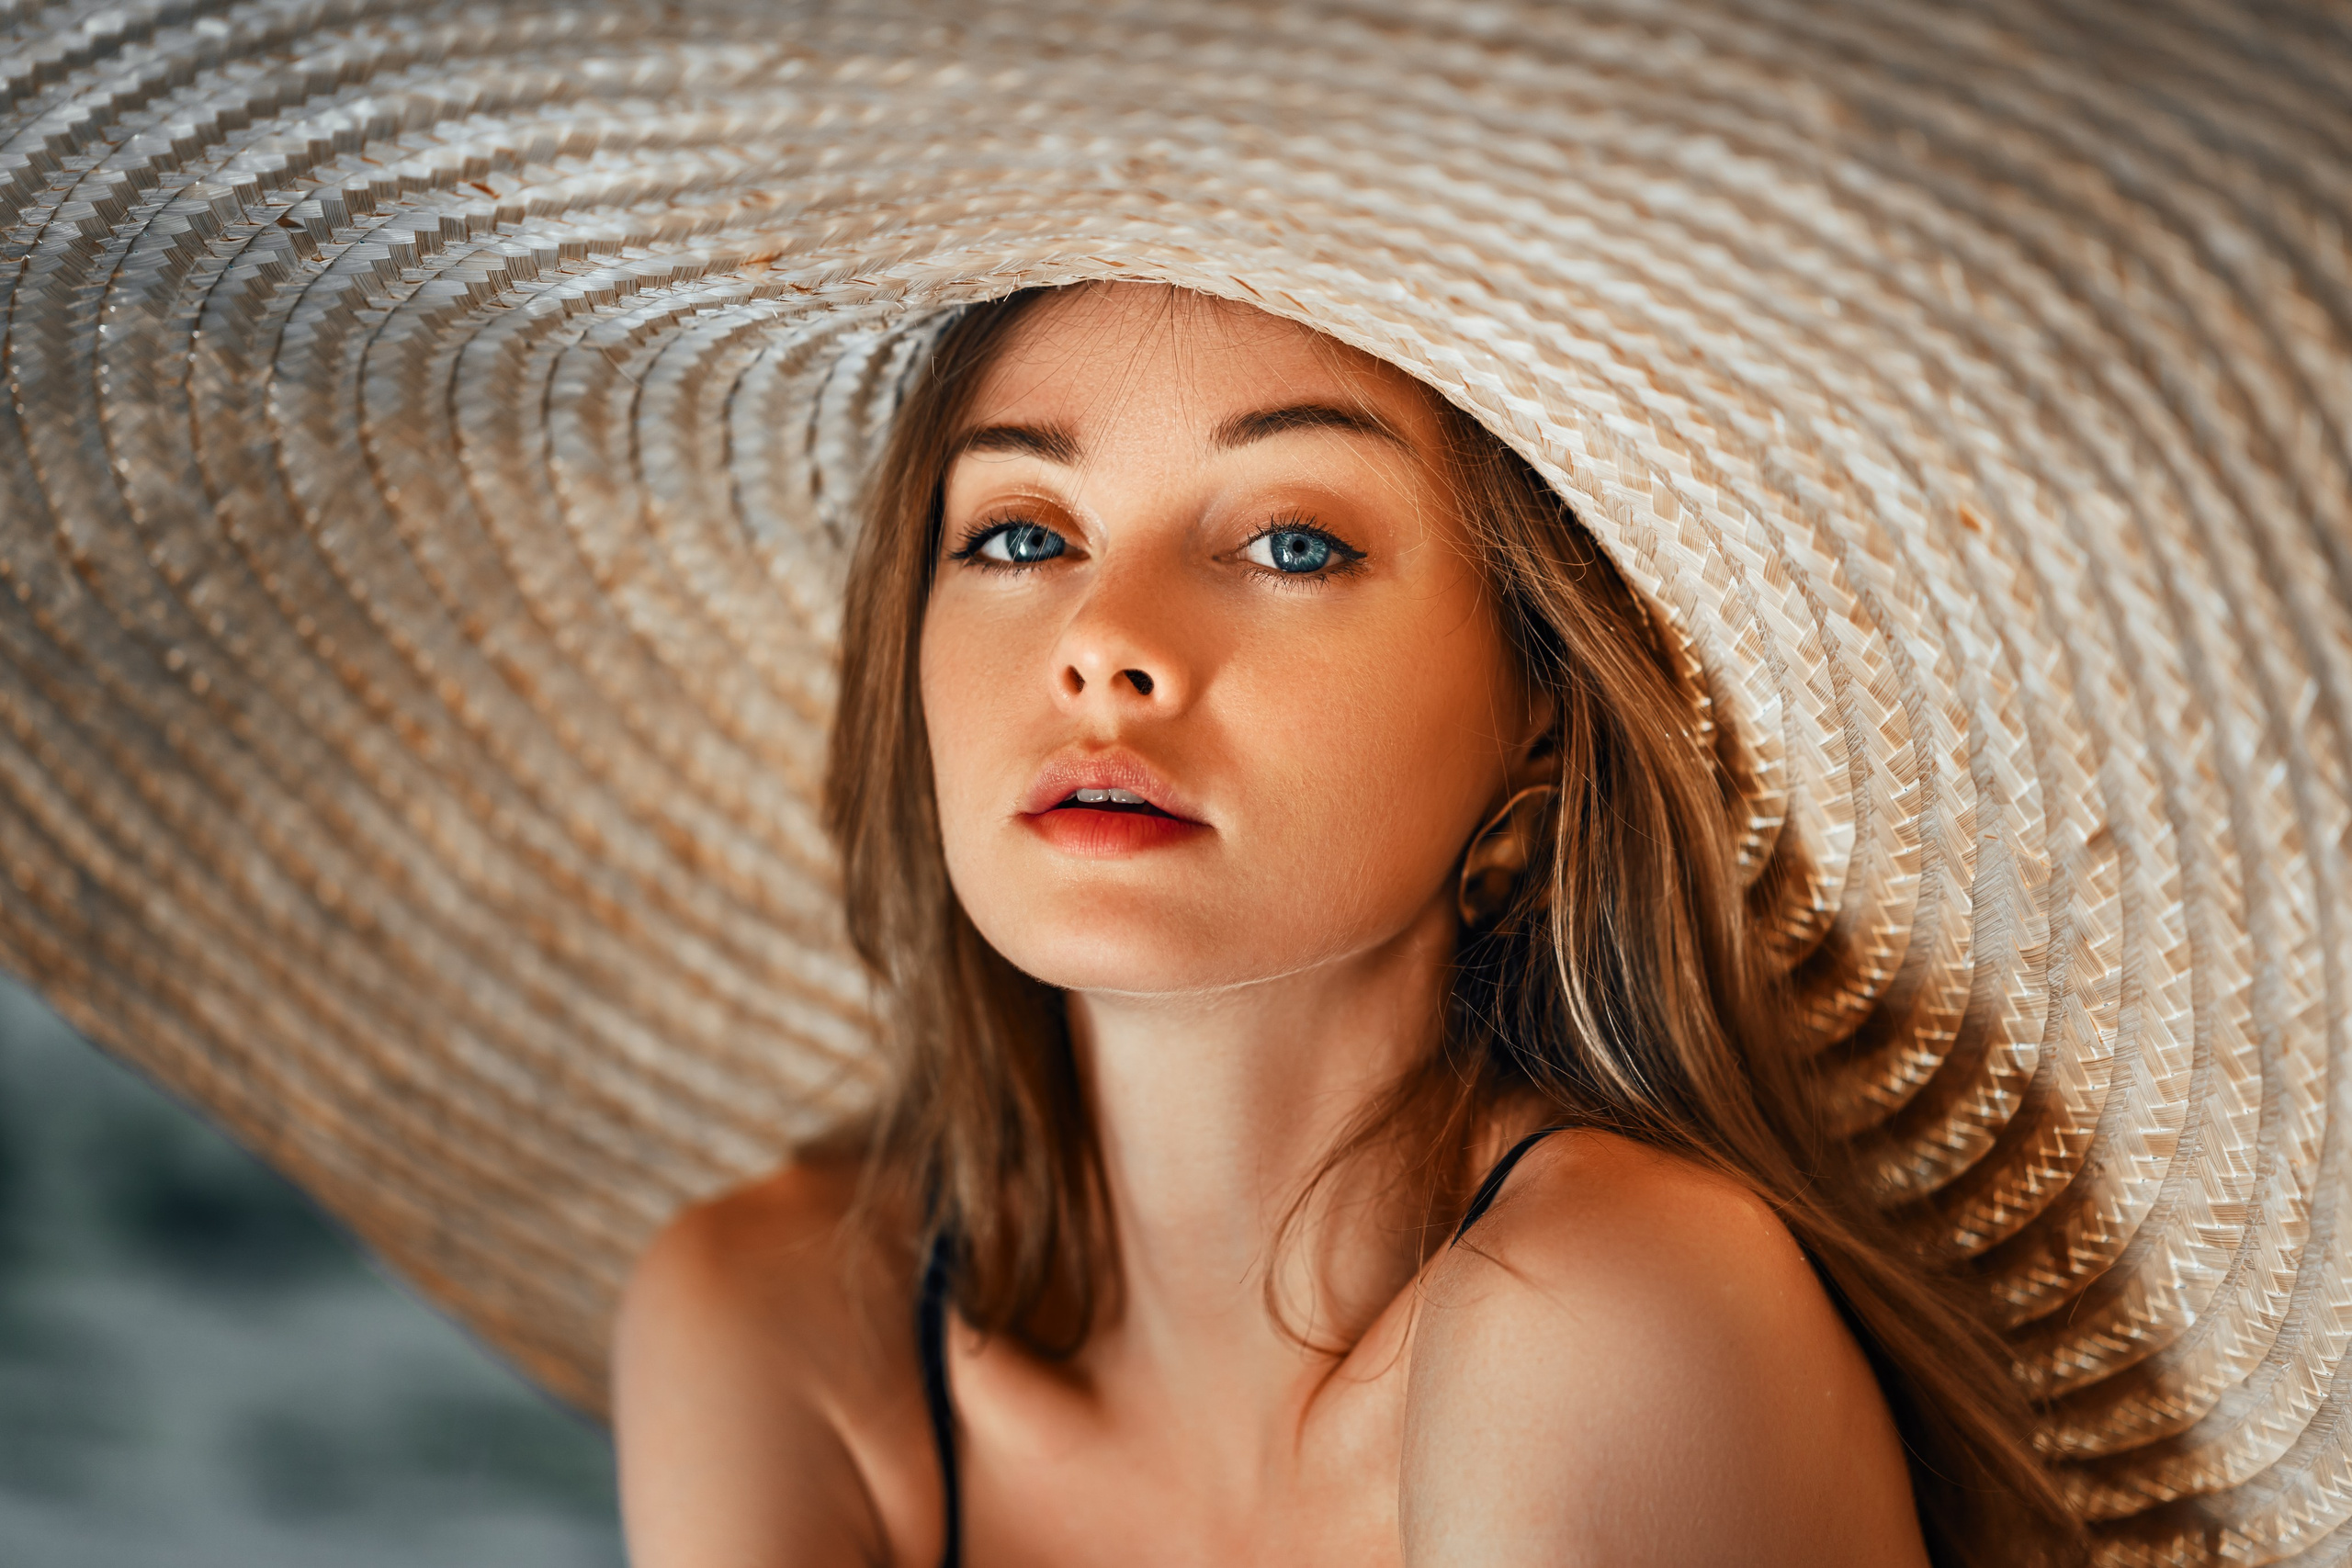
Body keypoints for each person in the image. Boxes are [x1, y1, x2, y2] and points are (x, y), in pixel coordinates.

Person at [611, 281, 2084, 1566]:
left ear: (1540, 724)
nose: (1103, 645)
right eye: (1017, 535)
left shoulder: (1600, 1316)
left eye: (1294, 545)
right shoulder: (775, 1322)